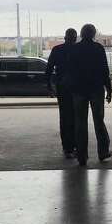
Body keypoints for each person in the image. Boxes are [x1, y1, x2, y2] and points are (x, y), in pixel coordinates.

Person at [66, 23, 112, 166]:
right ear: (93, 34)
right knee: (99, 121)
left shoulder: (74, 49)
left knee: (80, 123)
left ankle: (82, 156)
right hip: (96, 90)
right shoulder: (98, 48)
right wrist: (109, 89)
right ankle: (103, 152)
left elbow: (69, 71)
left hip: (79, 90)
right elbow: (105, 70)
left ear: (81, 34)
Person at [46, 28, 78, 158]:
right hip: (77, 87)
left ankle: (67, 147)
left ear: (65, 37)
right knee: (77, 117)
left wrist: (49, 86)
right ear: (75, 38)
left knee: (65, 117)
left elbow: (48, 69)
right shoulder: (78, 50)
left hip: (62, 87)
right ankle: (76, 145)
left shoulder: (57, 50)